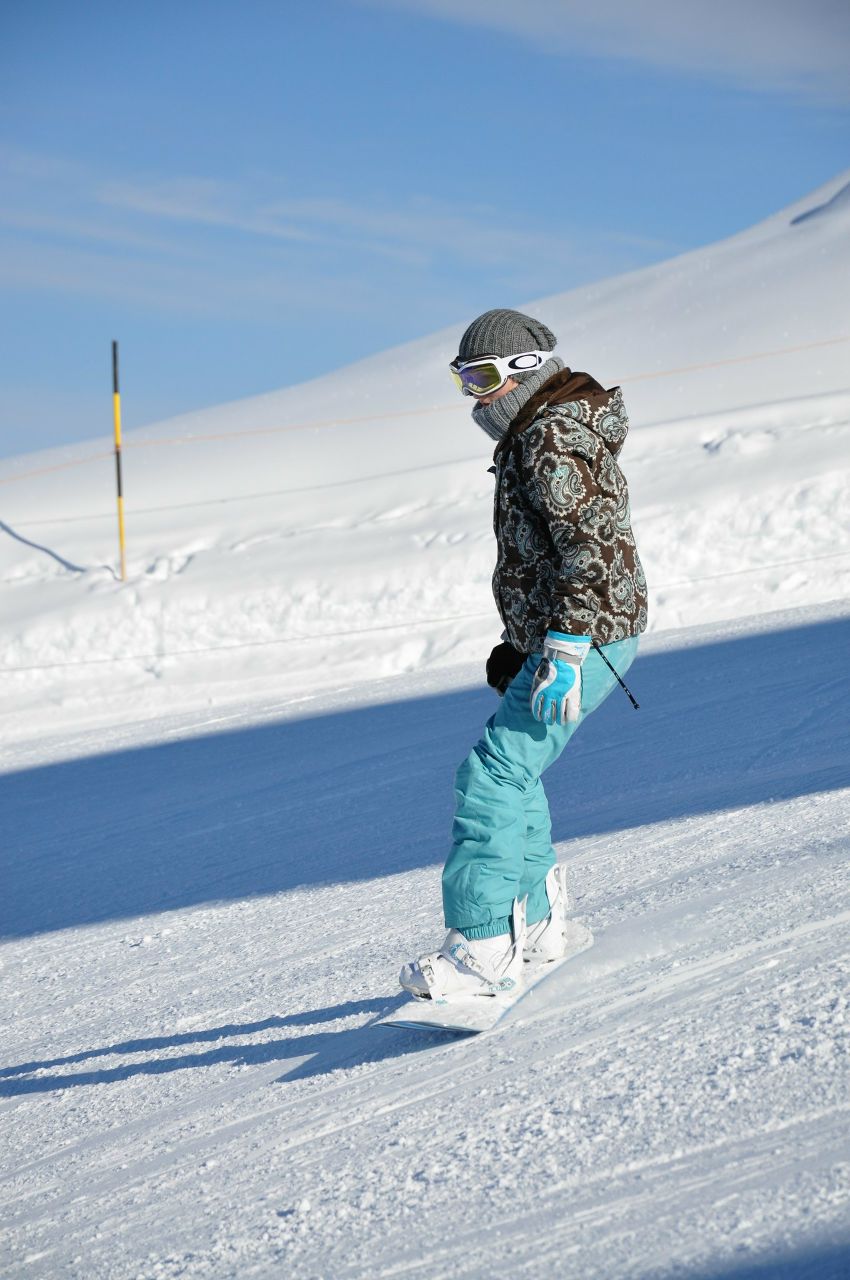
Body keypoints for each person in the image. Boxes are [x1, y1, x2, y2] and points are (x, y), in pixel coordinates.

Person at [400, 308, 648, 1001]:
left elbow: (589, 546)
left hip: (587, 636)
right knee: (515, 769)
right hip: (577, 634)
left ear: (522, 371)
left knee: (491, 777)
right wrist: (525, 646)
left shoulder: (548, 437)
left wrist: (565, 646)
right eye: (461, 380)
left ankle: (482, 946)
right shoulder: (534, 434)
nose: (473, 396)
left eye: (480, 377)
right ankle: (539, 925)